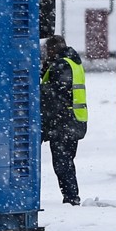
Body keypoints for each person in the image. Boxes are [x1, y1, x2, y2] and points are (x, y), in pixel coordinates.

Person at [40, 34, 88, 205]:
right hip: (72, 121)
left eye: (47, 49)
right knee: (65, 162)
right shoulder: (71, 62)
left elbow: (55, 93)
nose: (45, 53)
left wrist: (35, 88)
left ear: (53, 49)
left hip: (65, 122)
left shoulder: (62, 65)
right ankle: (71, 197)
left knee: (63, 163)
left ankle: (71, 198)